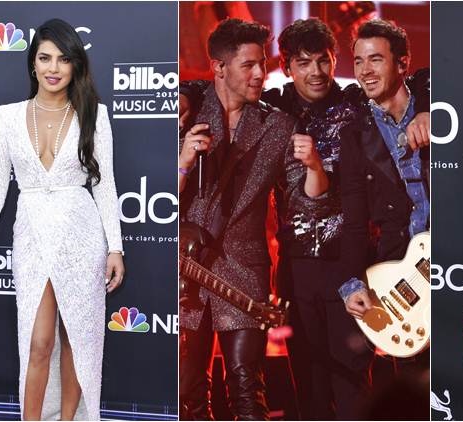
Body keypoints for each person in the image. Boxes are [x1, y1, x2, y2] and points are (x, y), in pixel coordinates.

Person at [180, 16, 429, 420]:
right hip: (295, 264)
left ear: (334, 61)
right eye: (302, 62)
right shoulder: (278, 107)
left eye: (324, 61)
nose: (315, 72)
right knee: (305, 383)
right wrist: (188, 93)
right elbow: (219, 86)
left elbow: (411, 82)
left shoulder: (352, 104)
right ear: (289, 67)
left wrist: (425, 102)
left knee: (350, 379)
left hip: (350, 258)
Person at [0, 18, 124, 421]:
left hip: (81, 234)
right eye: (45, 58)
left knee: (76, 338)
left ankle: (69, 418)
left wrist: (115, 247)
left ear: (75, 65)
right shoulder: (7, 117)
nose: (54, 68)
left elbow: (104, 186)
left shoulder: (94, 115)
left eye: (64, 59)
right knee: (38, 342)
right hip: (34, 235)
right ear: (32, 64)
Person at [178, 18, 329, 421]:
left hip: (244, 271)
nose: (261, 73)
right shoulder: (185, 114)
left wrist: (314, 167)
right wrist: (182, 163)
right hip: (186, 273)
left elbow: (305, 201)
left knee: (247, 391)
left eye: (262, 63)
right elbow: (153, 202)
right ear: (219, 68)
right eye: (249, 65)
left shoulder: (277, 125)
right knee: (187, 393)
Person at [336, 19, 430, 420]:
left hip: (460, 261)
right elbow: (353, 219)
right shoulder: (354, 134)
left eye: (376, 59)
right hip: (402, 268)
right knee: (412, 388)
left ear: (403, 63)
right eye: (358, 61)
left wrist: (431, 110)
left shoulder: (438, 104)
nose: (365, 71)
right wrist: (351, 284)